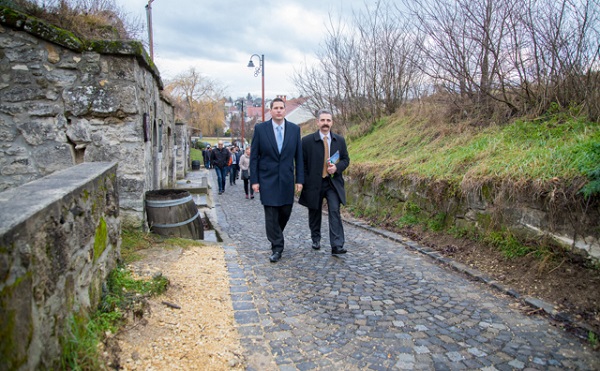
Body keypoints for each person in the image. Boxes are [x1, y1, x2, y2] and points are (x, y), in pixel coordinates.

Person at [250, 97, 304, 263]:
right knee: (271, 214)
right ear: (271, 110)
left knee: (285, 212)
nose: (279, 110)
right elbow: (254, 157)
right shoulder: (260, 129)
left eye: (282, 108)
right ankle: (277, 246)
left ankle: (275, 234)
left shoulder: (294, 130)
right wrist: (255, 180)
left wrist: (299, 179)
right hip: (267, 179)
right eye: (276, 108)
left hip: (287, 178)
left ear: (285, 110)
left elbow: (299, 157)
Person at [299, 109, 350, 255]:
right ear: (317, 122)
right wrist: (303, 181)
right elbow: (302, 163)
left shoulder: (339, 141)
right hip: (314, 183)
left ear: (332, 122)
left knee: (334, 210)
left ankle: (337, 245)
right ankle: (316, 238)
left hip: (332, 183)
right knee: (314, 212)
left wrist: (337, 167)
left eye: (328, 120)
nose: (325, 123)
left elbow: (346, 159)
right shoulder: (307, 141)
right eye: (323, 120)